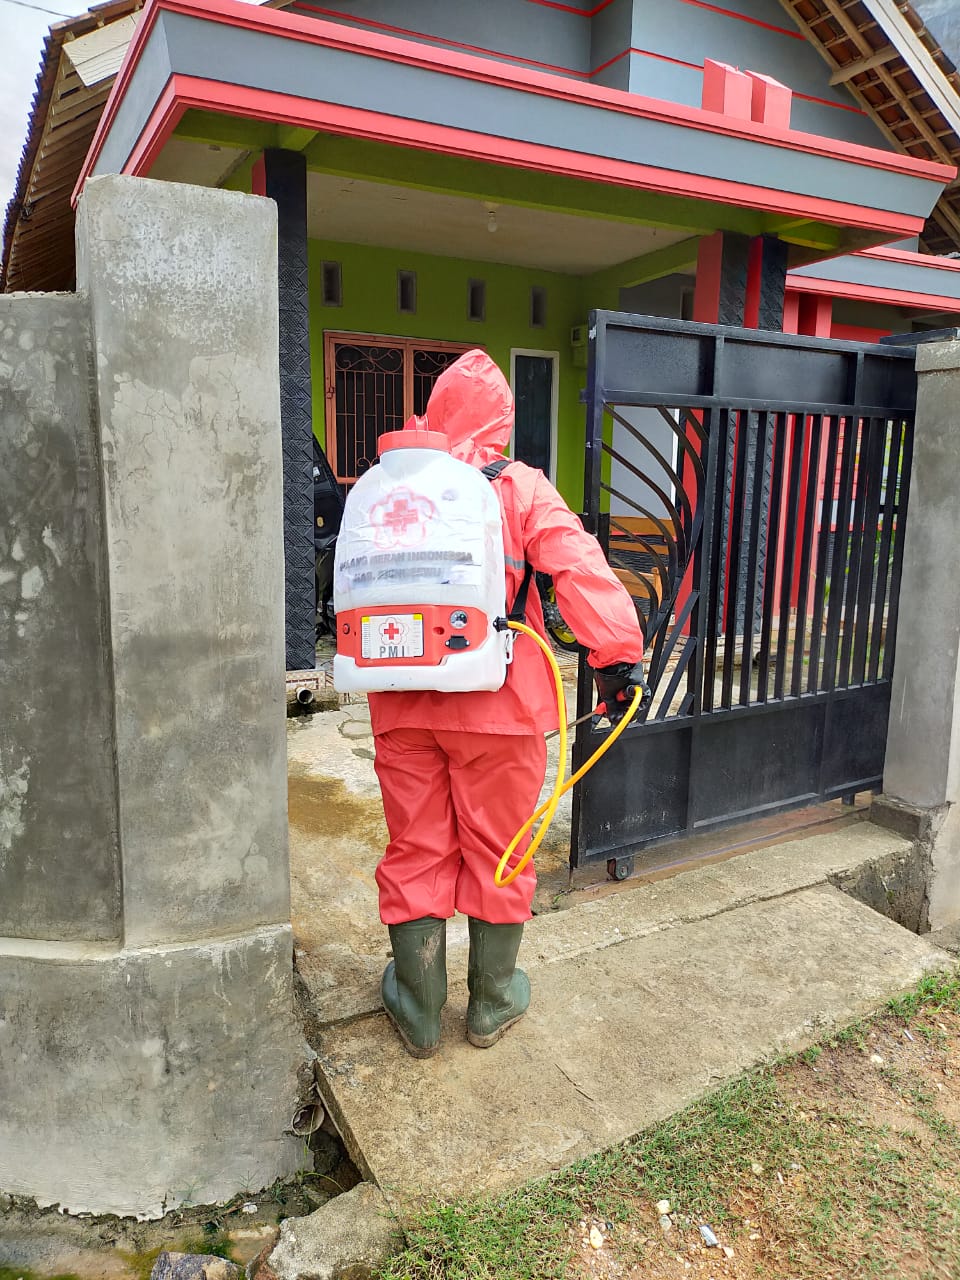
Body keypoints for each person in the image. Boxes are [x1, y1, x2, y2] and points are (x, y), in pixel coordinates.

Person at [367, 349, 645, 1058]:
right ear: (501, 421)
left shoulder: (389, 481)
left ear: (431, 412)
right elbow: (577, 564)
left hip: (402, 704)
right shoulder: (518, 487)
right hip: (500, 705)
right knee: (500, 850)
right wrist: (616, 659)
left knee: (417, 848)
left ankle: (420, 1009)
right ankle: (491, 1004)